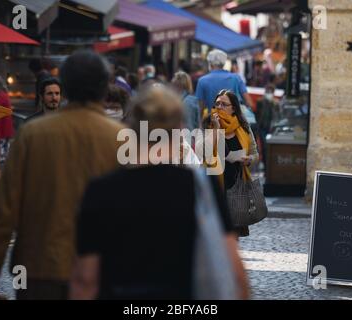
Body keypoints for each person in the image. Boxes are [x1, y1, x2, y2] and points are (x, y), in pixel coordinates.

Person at [70, 86, 250, 300]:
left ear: (132, 128)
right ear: (180, 128)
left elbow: (85, 279)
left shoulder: (101, 190)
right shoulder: (202, 188)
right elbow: (235, 274)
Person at [0, 50, 126, 300]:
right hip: (98, 270)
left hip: (39, 267)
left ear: (65, 87)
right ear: (103, 88)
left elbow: (6, 207)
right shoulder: (120, 138)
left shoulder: (33, 134)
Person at [200, 90, 259, 237]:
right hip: (215, 184)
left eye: (224, 104)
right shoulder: (209, 123)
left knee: (233, 234)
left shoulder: (243, 127)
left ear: (233, 108)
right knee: (216, 232)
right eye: (217, 103)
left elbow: (254, 153)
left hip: (236, 185)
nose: (219, 107)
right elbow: (203, 150)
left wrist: (250, 159)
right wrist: (217, 129)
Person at [195, 50, 254, 115]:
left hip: (213, 122)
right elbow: (249, 103)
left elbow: (200, 108)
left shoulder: (202, 81)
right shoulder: (236, 78)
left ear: (210, 63)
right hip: (233, 122)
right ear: (224, 63)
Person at [255, 84, 280, 170]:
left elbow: (278, 116)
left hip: (272, 128)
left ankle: (269, 165)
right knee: (264, 146)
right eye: (267, 91)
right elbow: (257, 115)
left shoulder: (276, 103)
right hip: (262, 127)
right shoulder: (260, 101)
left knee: (270, 147)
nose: (269, 93)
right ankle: (265, 164)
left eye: (271, 91)